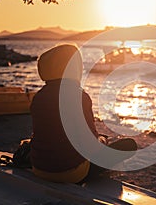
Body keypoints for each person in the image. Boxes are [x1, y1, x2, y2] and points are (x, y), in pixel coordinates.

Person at [30, 44, 137, 183]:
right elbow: (90, 146)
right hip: (71, 173)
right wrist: (101, 142)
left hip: (39, 168)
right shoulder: (79, 97)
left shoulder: (38, 97)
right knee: (129, 145)